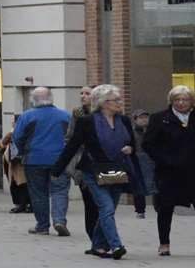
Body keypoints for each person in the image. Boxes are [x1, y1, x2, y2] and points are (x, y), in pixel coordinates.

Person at [54, 84, 137, 259]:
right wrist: (58, 168)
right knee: (105, 207)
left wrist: (130, 148)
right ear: (104, 103)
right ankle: (116, 245)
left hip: (117, 169)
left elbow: (133, 144)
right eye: (115, 100)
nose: (119, 103)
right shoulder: (88, 121)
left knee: (109, 210)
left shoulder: (124, 121)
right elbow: (73, 144)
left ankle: (98, 245)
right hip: (93, 170)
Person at [144, 85, 195, 258]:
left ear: (192, 101)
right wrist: (165, 159)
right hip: (170, 172)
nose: (181, 103)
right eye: (177, 100)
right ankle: (164, 244)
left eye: (185, 100)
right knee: (165, 208)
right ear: (171, 102)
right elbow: (149, 144)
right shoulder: (160, 118)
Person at [9, 87, 73, 235]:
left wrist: (19, 153)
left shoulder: (27, 116)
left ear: (33, 100)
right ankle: (59, 220)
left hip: (34, 159)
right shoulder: (65, 116)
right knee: (60, 191)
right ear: (51, 98)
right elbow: (72, 138)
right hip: (60, 160)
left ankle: (42, 225)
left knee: (38, 193)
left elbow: (17, 138)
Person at [69, 86, 98, 242]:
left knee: (104, 205)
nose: (83, 96)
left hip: (105, 164)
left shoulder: (108, 113)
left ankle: (104, 238)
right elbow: (70, 137)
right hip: (84, 162)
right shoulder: (77, 114)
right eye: (81, 93)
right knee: (89, 202)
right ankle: (94, 237)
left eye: (87, 93)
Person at [127, 111, 155, 218]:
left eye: (146, 117)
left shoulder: (152, 131)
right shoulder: (132, 133)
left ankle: (158, 206)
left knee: (154, 184)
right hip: (137, 161)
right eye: (141, 117)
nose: (144, 119)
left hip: (151, 160)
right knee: (138, 185)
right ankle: (140, 210)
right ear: (135, 119)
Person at [0, 129, 32, 212]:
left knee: (20, 185)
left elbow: (3, 142)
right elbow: (3, 145)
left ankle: (22, 205)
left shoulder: (13, 133)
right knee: (22, 184)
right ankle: (26, 205)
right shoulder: (29, 133)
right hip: (20, 161)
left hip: (17, 162)